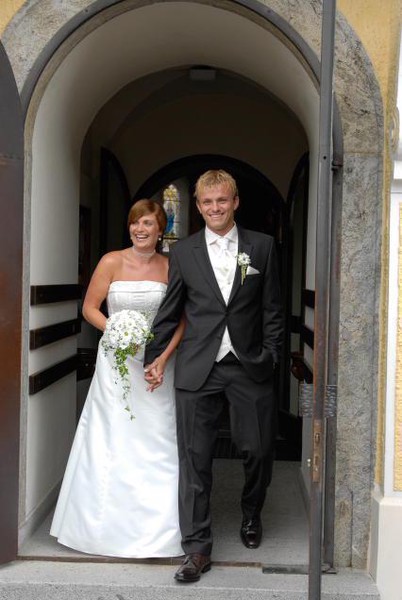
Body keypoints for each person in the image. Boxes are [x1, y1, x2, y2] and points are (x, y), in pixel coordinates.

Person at [144, 170, 283, 583]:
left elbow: (273, 309)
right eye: (207, 202)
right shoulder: (183, 252)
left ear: (235, 202)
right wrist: (154, 357)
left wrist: (272, 355)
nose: (215, 208)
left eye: (222, 200)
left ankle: (251, 512)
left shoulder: (262, 246)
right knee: (195, 459)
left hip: (248, 365)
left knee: (258, 449)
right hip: (197, 366)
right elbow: (171, 309)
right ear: (199, 206)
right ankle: (197, 549)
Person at [50, 200, 183, 558]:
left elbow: (182, 318)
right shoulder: (111, 261)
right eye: (135, 223)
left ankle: (159, 531)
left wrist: (163, 357)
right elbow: (89, 308)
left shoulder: (171, 267)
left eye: (148, 224)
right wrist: (117, 329)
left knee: (157, 437)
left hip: (156, 365)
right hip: (116, 361)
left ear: (161, 230)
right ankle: (100, 528)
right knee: (111, 435)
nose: (140, 229)